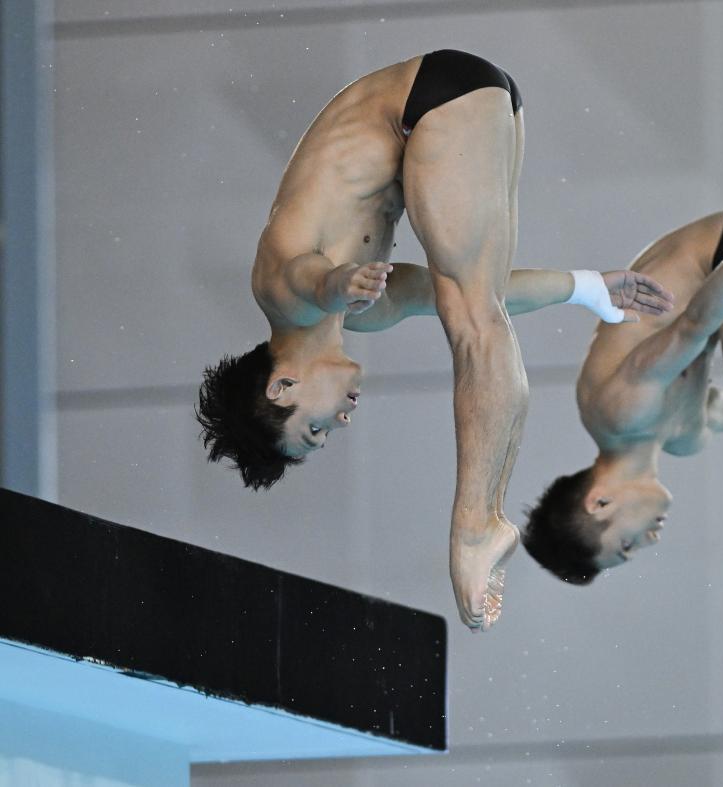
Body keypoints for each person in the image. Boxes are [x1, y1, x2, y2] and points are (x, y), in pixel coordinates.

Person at [196, 50, 674, 634]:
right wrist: (587, 288)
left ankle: (474, 527)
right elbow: (476, 292)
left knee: (473, 320)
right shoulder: (369, 314)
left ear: (282, 386)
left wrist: (339, 281)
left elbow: (304, 274)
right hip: (470, 100)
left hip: (424, 103)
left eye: (314, 429)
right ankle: (485, 515)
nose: (340, 422)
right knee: (477, 305)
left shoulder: (283, 299)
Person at [523, 199, 723, 760]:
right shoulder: (682, 436)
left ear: (599, 502)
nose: (649, 542)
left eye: (626, 545)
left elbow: (693, 327)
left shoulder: (614, 411)